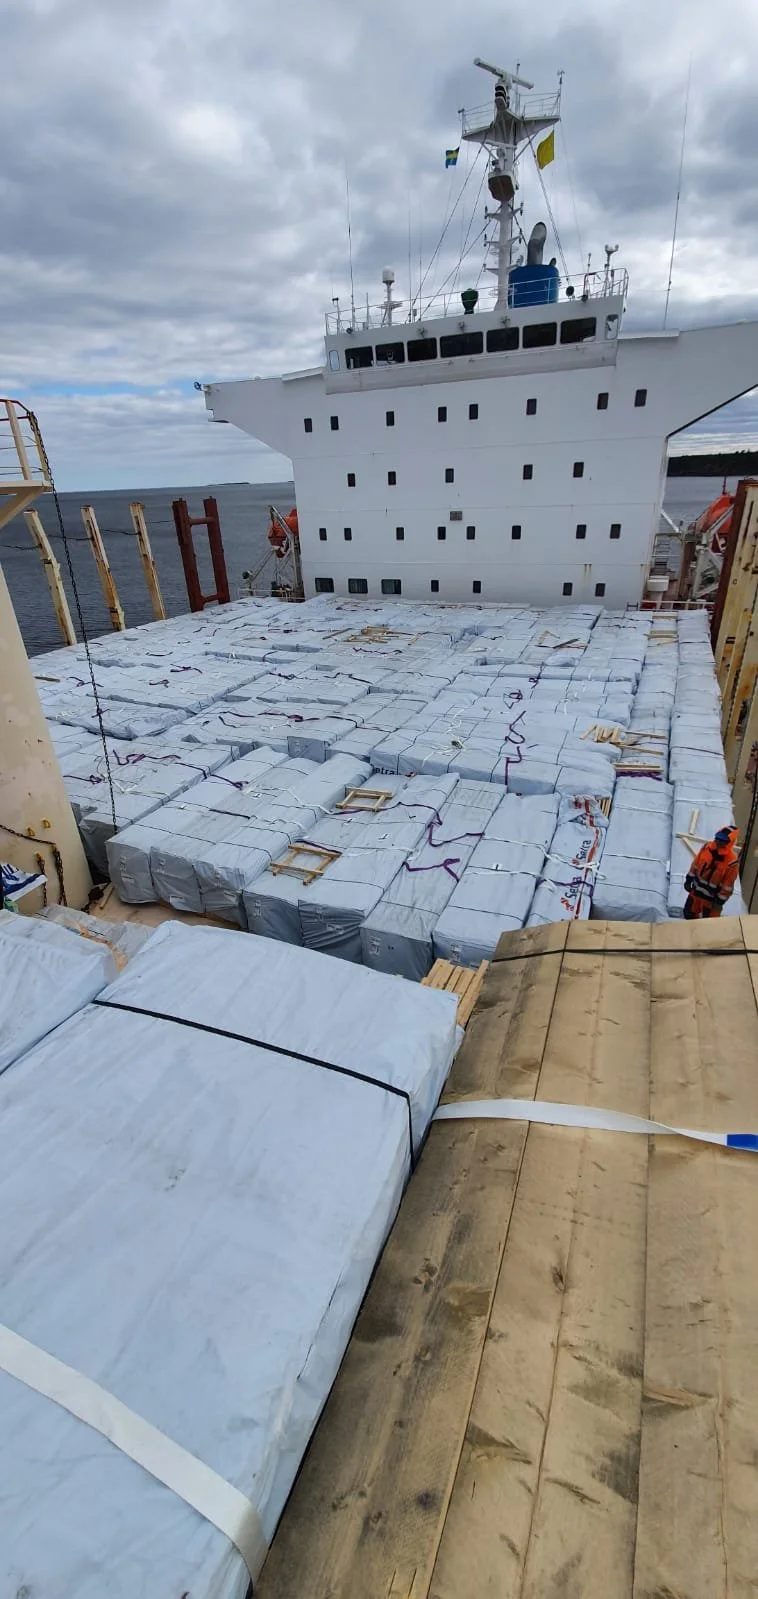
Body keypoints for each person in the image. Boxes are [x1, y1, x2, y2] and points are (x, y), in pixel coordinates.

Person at [683, 826, 740, 919]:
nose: (718, 842)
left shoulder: (731, 862)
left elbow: (728, 885)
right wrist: (688, 879)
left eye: (722, 840)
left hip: (711, 901)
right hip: (696, 893)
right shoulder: (706, 848)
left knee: (708, 926)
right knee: (688, 914)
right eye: (717, 838)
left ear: (729, 843)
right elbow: (695, 864)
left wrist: (719, 901)